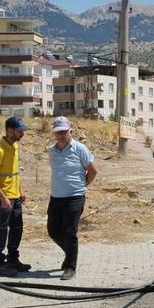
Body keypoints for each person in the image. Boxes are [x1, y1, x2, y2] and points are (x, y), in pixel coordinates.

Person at [47, 116, 97, 280]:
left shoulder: (79, 148)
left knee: (69, 231)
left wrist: (82, 187)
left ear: (70, 131)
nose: (61, 135)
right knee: (53, 231)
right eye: (58, 132)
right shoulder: (52, 151)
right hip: (56, 197)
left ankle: (70, 267)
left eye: (64, 131)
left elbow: (92, 171)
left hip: (75, 196)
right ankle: (70, 255)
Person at [0, 116, 31, 277]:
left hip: (15, 195)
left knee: (17, 228)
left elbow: (14, 171)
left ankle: (13, 259)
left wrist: (21, 189)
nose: (22, 134)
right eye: (20, 131)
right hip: (3, 198)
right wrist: (3, 198)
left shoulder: (15, 146)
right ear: (10, 131)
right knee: (1, 230)